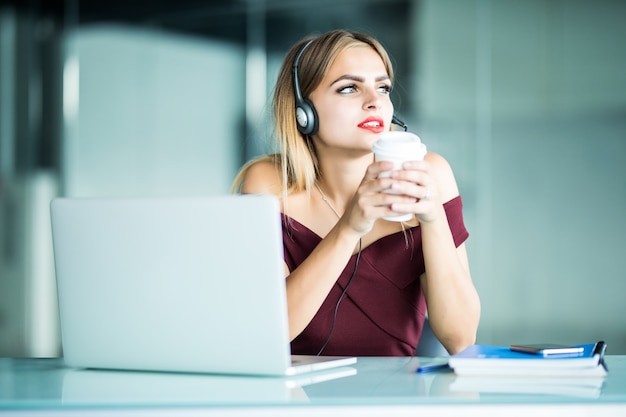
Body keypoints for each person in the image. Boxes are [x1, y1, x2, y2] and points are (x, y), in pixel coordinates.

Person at [232, 29, 480, 356]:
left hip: (395, 399)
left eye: (383, 88)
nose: (374, 101)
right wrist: (349, 228)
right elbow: (268, 332)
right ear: (303, 111)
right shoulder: (268, 183)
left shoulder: (430, 173)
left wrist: (433, 220)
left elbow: (460, 339)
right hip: (296, 401)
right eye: (349, 88)